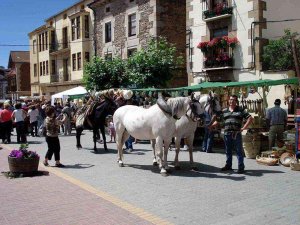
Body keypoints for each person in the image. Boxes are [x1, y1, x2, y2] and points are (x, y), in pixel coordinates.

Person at [210, 95, 253, 174]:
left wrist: (244, 128)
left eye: (233, 100)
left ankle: (241, 167)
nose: (231, 101)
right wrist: (213, 124)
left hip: (236, 134)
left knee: (239, 151)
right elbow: (219, 120)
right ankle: (228, 165)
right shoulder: (224, 110)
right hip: (227, 134)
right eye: (230, 100)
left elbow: (250, 118)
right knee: (228, 150)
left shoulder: (240, 110)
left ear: (236, 101)